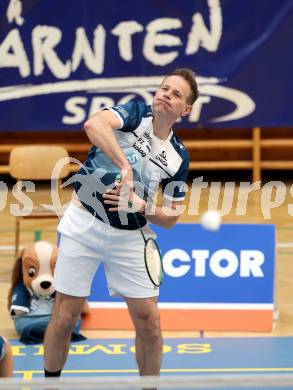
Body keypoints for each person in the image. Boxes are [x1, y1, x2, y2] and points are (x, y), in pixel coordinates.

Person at [44, 68, 199, 378]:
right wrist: (123, 165)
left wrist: (142, 206)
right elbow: (94, 123)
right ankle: (50, 384)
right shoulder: (134, 114)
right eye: (164, 88)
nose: (166, 94)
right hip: (85, 222)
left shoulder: (179, 158)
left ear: (186, 110)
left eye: (176, 94)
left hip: (131, 235)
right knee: (65, 316)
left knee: (149, 321)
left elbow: (172, 216)